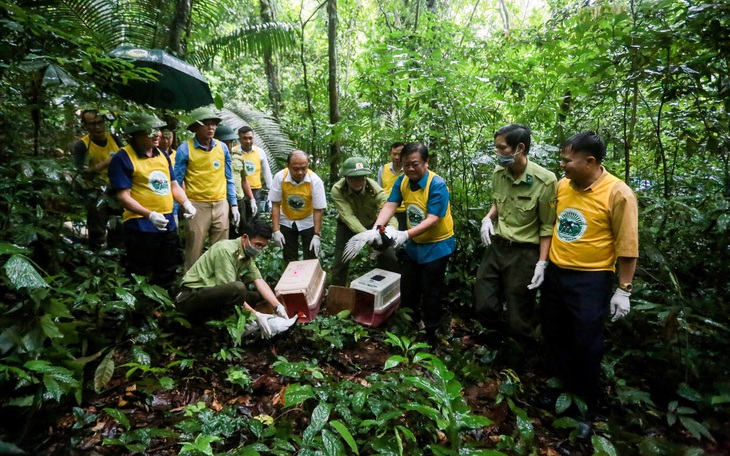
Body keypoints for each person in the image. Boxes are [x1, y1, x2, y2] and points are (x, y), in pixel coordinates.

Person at [540, 131, 638, 418]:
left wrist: (623, 289)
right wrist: (543, 264)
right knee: (554, 334)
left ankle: (585, 407)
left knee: (586, 341)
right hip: (557, 274)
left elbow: (627, 245)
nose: (562, 165)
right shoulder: (563, 186)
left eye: (567, 160)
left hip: (591, 280)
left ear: (590, 161)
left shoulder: (618, 193)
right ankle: (560, 393)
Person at [473, 124, 557, 336]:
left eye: (502, 148)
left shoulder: (545, 180)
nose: (498, 153)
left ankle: (516, 360)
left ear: (520, 147)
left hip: (524, 253)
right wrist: (487, 218)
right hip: (497, 247)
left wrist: (541, 263)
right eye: (497, 148)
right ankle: (496, 343)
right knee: (483, 304)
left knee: (518, 314)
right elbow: (499, 202)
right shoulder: (499, 172)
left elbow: (547, 226)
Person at [371, 142, 455, 343]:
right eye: (406, 164)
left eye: (415, 164)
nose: (410, 168)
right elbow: (391, 204)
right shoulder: (403, 181)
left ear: (426, 163)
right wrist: (376, 227)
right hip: (415, 245)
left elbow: (433, 219)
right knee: (408, 286)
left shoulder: (437, 185)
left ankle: (431, 333)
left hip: (437, 245)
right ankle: (409, 325)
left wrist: (405, 234)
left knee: (431, 291)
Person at [107, 113, 196, 290]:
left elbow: (173, 185)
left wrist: (186, 203)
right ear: (137, 133)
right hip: (140, 226)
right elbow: (123, 196)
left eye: (157, 130)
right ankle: (137, 310)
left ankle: (163, 308)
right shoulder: (123, 157)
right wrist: (149, 214)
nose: (157, 135)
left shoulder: (162, 155)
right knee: (138, 270)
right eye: (150, 131)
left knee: (167, 268)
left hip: (167, 223)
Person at [176, 219, 289, 339]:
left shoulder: (246, 254)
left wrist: (278, 306)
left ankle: (249, 322)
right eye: (258, 245)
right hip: (190, 297)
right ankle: (234, 328)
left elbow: (258, 280)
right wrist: (256, 315)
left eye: (263, 247)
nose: (259, 249)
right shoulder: (226, 250)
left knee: (254, 296)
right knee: (238, 288)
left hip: (210, 293)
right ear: (245, 237)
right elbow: (231, 290)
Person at [173, 107, 239, 272]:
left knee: (221, 248)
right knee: (194, 247)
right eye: (206, 124)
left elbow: (229, 178)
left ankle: (220, 283)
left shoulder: (222, 148)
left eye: (214, 125)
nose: (211, 128)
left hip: (220, 204)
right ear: (195, 127)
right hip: (196, 205)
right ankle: (190, 287)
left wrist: (234, 204)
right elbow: (176, 181)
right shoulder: (185, 149)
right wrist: (175, 210)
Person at [330, 157, 399, 286]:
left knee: (389, 258)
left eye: (362, 177)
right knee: (340, 261)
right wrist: (366, 236)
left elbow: (388, 211)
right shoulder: (338, 190)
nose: (358, 181)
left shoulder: (375, 190)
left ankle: (391, 290)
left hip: (374, 224)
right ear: (346, 178)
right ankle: (336, 295)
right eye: (353, 178)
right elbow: (348, 216)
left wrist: (391, 230)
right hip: (347, 226)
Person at [72, 109, 124, 248]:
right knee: (97, 230)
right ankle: (97, 260)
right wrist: (105, 163)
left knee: (118, 227)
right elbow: (81, 173)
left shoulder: (114, 138)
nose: (97, 127)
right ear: (85, 125)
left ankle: (116, 257)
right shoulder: (82, 145)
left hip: (116, 188)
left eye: (100, 122)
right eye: (92, 124)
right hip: (94, 191)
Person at [269, 150, 327, 263]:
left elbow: (318, 210)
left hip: (308, 220)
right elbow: (275, 204)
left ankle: (310, 279)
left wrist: (316, 235)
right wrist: (276, 230)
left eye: (304, 168)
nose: (300, 172)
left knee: (311, 256)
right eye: (295, 168)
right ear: (288, 166)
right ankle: (292, 279)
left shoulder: (315, 181)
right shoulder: (280, 177)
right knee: (289, 256)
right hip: (287, 219)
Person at [215, 125, 257, 237]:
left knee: (241, 232)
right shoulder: (214, 158)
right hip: (223, 201)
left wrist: (252, 199)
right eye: (226, 142)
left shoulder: (238, 157)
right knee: (223, 232)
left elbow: (244, 180)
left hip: (239, 200)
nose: (229, 145)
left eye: (231, 142)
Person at [233, 126, 274, 219]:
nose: (248, 141)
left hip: (255, 190)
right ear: (239, 139)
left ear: (253, 138)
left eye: (250, 138)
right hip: (239, 190)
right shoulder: (234, 152)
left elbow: (266, 172)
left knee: (254, 217)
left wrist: (271, 191)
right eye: (244, 138)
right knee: (240, 217)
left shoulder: (259, 152)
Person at [377, 142, 406, 230]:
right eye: (394, 154)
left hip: (403, 211)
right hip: (385, 210)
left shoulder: (409, 170)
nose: (397, 157)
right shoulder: (383, 169)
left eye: (400, 154)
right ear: (390, 153)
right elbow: (378, 190)